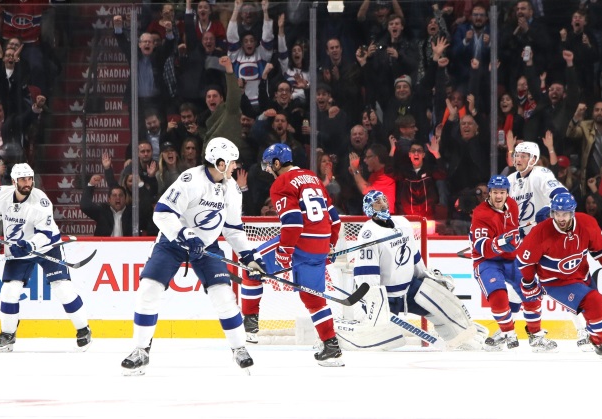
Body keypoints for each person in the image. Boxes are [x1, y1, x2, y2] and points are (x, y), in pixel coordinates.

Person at [120, 137, 266, 375]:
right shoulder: (190, 180)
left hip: (206, 247)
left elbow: (232, 229)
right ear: (219, 162)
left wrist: (250, 256)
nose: (234, 167)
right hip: (173, 242)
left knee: (223, 295)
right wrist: (186, 235)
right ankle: (140, 351)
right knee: (149, 289)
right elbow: (162, 213)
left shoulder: (232, 189)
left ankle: (239, 349)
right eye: (231, 163)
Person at [344, 190, 484, 351]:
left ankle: (460, 337)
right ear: (369, 208)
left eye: (384, 200)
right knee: (380, 341)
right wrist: (374, 300)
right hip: (386, 298)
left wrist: (426, 278)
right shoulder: (369, 234)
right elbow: (367, 274)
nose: (383, 204)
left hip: (409, 290)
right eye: (377, 202)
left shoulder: (403, 223)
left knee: (442, 299)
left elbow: (414, 257)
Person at [0, 163, 92, 352]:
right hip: (17, 247)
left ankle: (83, 329)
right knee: (9, 290)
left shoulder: (41, 202)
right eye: (22, 179)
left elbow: (45, 234)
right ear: (14, 181)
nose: (27, 183)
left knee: (62, 288)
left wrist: (30, 244)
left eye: (29, 178)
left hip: (46, 247)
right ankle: (8, 334)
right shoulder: (1, 195)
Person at [247, 143, 343, 366]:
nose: (268, 170)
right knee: (313, 299)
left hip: (300, 244)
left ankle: (249, 329)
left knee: (250, 265)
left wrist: (283, 253)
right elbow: (335, 219)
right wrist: (330, 245)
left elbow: (293, 224)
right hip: (319, 247)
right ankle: (331, 348)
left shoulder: (281, 183)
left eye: (269, 166)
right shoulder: (313, 178)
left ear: (277, 163)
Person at [517, 193, 602, 359]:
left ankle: (599, 343)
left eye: (564, 214)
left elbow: (600, 249)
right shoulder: (540, 232)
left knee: (594, 309)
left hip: (582, 275)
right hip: (556, 282)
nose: (560, 218)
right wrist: (529, 282)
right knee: (594, 300)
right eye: (557, 213)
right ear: (552, 213)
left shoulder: (587, 223)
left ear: (572, 212)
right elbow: (524, 261)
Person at [469, 175, 556, 352]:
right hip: (487, 260)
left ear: (507, 192)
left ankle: (536, 336)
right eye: (495, 192)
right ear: (489, 193)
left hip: (511, 258)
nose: (498, 196)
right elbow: (483, 248)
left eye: (502, 192)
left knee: (531, 292)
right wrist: (500, 242)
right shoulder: (480, 213)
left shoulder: (513, 206)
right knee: (498, 296)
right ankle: (507, 333)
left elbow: (515, 234)